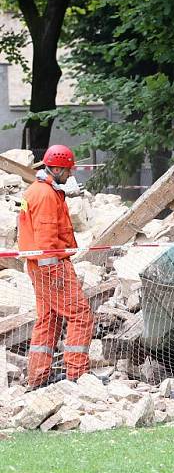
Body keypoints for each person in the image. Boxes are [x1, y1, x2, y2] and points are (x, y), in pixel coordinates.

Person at [17, 144, 93, 389]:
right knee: (80, 315)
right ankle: (77, 375)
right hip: (52, 264)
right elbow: (47, 235)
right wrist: (54, 272)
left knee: (48, 319)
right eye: (68, 170)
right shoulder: (47, 195)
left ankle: (38, 378)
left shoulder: (37, 191)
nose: (71, 175)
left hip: (38, 266)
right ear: (58, 168)